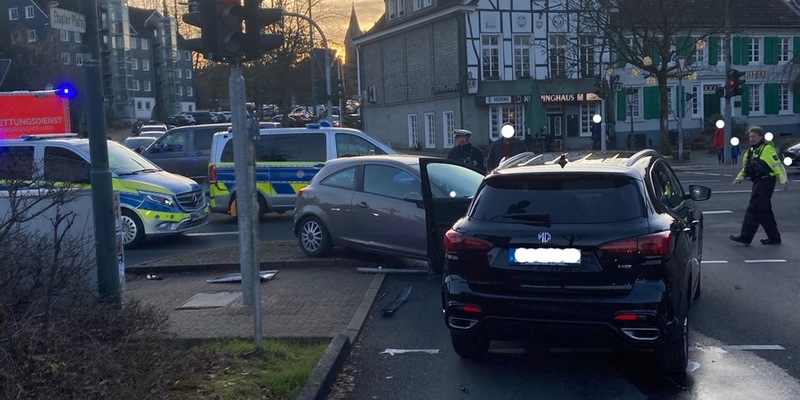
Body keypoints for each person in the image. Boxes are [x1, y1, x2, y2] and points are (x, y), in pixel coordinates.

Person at [729, 127, 788, 246]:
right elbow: (746, 169)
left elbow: (778, 165)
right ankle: (774, 237)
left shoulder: (767, 149)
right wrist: (738, 179)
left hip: (766, 182)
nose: (751, 139)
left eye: (754, 136)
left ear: (761, 137)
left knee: (754, 209)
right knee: (764, 211)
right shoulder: (750, 152)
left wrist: (783, 180)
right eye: (750, 137)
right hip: (758, 183)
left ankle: (746, 236)